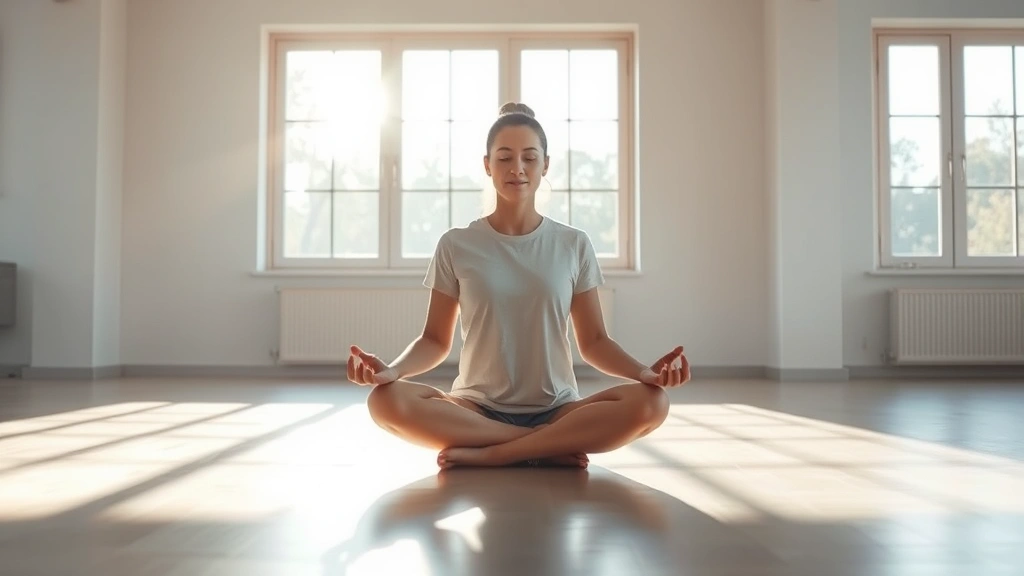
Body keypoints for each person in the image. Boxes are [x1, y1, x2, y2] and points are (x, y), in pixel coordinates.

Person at [348, 102, 690, 469]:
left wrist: (645, 374)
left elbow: (594, 342)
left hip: (558, 410)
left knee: (653, 403)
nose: (517, 168)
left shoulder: (573, 244)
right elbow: (433, 340)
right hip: (476, 409)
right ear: (487, 165)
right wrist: (391, 372)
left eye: (529, 157)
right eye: (504, 158)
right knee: (384, 401)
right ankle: (545, 446)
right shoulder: (456, 244)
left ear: (545, 164)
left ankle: (495, 453)